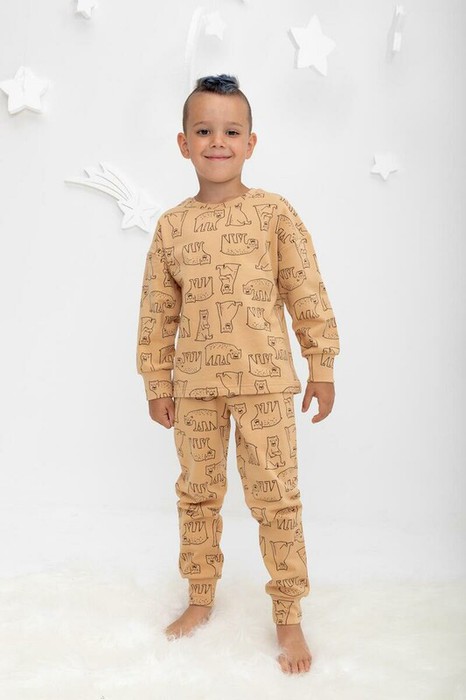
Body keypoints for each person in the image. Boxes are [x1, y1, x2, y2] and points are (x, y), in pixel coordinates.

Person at [136, 74, 340, 675]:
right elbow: (157, 312)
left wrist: (321, 363)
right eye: (204, 131)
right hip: (195, 389)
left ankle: (289, 616)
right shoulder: (171, 227)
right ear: (184, 144)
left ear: (251, 142)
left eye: (231, 131)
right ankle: (200, 597)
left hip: (266, 385)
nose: (217, 142)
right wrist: (156, 382)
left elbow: (305, 288)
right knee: (197, 494)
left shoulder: (273, 213)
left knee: (276, 499)